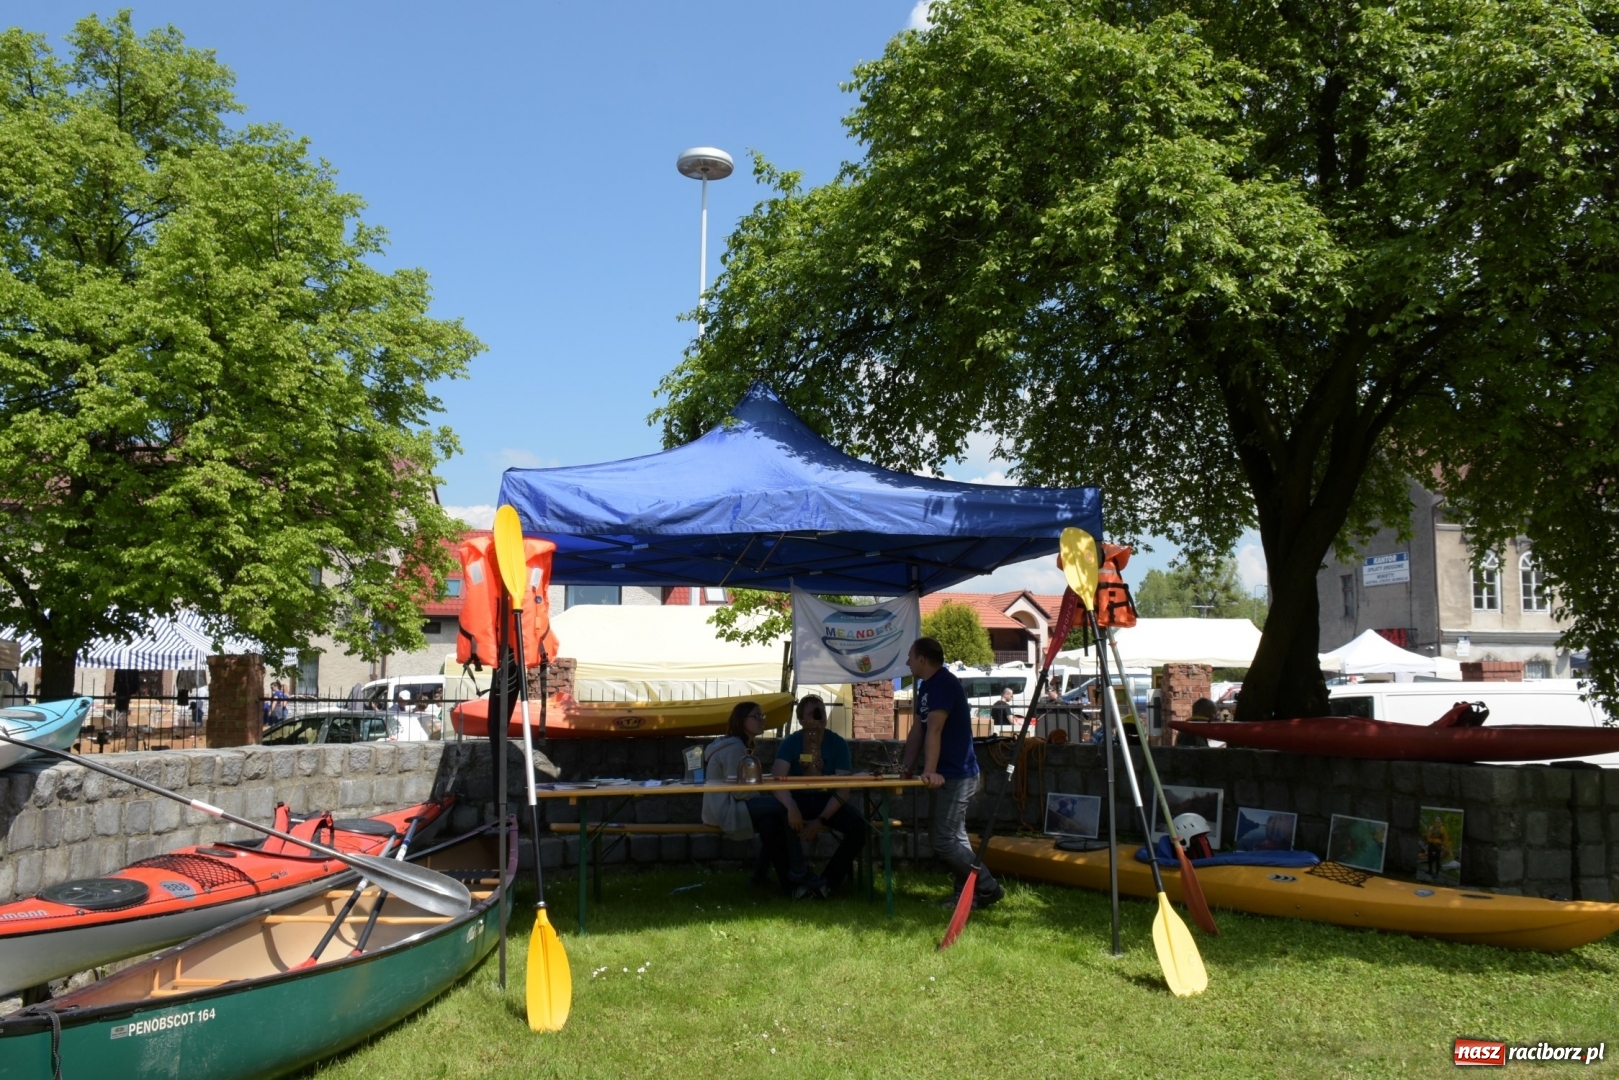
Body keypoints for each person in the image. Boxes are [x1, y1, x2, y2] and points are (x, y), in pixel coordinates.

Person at [899, 637, 1004, 910]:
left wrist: (930, 770)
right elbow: (919, 730)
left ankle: (988, 887)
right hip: (949, 773)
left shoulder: (943, 684)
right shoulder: (926, 687)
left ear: (922, 659)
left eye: (910, 656)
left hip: (956, 774)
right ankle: (967, 895)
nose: (907, 661)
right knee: (956, 838)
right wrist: (907, 767)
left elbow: (935, 729)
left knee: (943, 841)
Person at [701, 701, 815, 896]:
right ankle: (798, 871)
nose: (762, 720)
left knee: (770, 823)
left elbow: (745, 789)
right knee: (786, 808)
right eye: (757, 716)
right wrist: (788, 804)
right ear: (741, 720)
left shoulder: (739, 744)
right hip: (726, 810)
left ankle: (764, 878)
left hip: (733, 805)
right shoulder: (734, 748)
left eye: (763, 716)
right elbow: (741, 792)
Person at [769, 695, 867, 896]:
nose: (819, 716)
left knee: (860, 829)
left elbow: (843, 789)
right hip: (797, 799)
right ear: (801, 719)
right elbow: (777, 780)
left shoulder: (837, 743)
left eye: (821, 711)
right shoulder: (791, 742)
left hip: (826, 801)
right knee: (771, 822)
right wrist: (791, 807)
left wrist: (821, 820)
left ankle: (827, 883)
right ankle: (794, 885)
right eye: (813, 712)